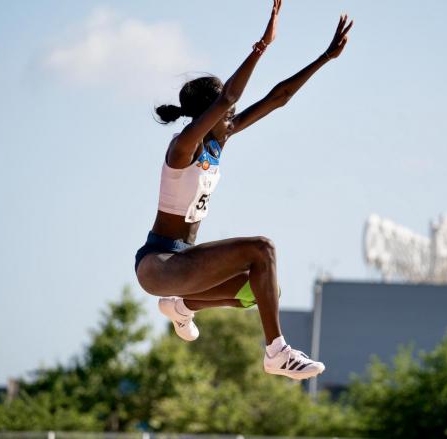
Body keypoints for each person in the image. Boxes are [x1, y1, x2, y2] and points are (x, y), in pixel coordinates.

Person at [135, 0, 353, 380]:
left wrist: (324, 58)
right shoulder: (183, 147)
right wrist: (262, 46)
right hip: (160, 263)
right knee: (262, 249)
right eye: (224, 113)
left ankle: (182, 307)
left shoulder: (222, 139)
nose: (233, 116)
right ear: (209, 114)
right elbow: (229, 99)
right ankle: (277, 353)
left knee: (263, 289)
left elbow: (277, 97)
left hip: (187, 263)